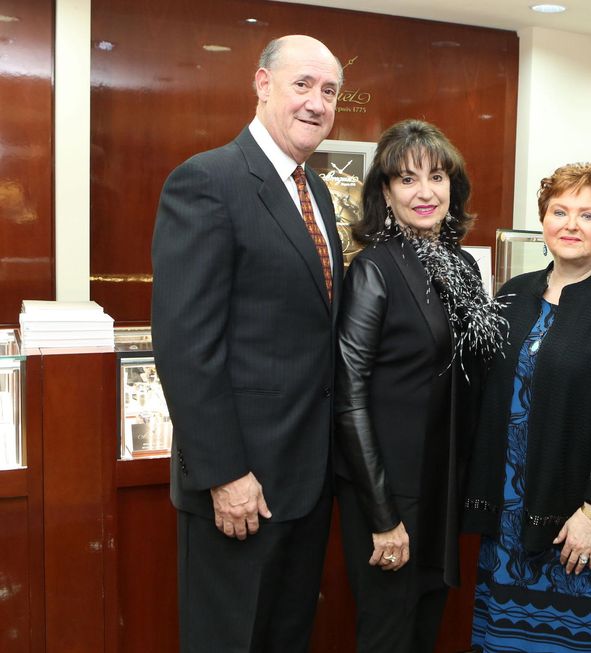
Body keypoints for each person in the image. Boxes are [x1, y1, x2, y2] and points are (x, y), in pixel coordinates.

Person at [151, 35, 344, 652]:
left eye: (330, 91)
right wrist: (226, 473)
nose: (317, 102)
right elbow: (186, 346)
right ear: (262, 85)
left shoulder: (314, 192)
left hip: (305, 483)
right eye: (303, 85)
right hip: (240, 488)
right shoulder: (208, 180)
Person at [334, 119, 507, 652]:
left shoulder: (462, 266)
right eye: (407, 180)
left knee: (425, 629)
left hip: (441, 487)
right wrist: (383, 517)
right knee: (389, 633)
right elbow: (350, 398)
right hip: (389, 493)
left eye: (437, 176)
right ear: (384, 193)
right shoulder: (374, 270)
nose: (425, 192)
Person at [463, 163, 591, 652]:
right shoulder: (513, 294)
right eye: (559, 211)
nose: (571, 224)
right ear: (542, 220)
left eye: (587, 215)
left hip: (578, 521)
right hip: (508, 516)